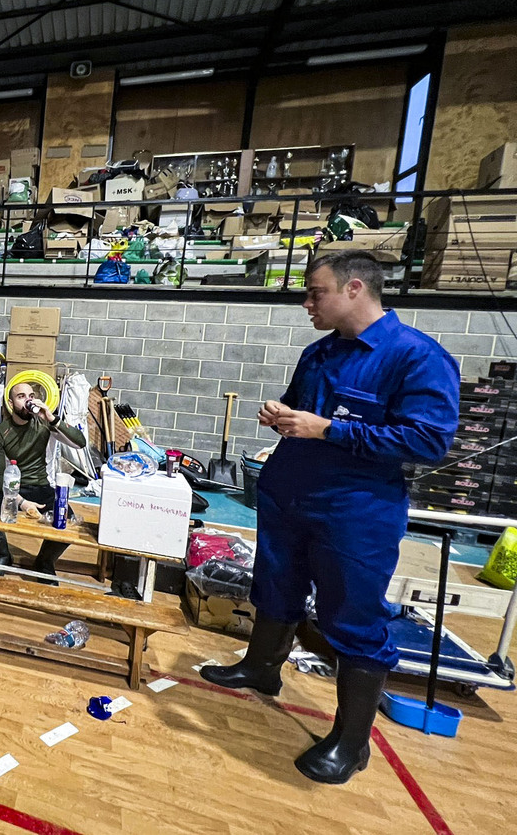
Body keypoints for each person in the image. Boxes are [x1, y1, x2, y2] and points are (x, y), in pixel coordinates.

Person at [201, 251, 459, 785]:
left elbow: (430, 440)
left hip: (355, 511)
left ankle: (351, 742)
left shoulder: (415, 357)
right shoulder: (318, 353)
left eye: (316, 292)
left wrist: (328, 431)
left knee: (352, 616)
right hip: (289, 495)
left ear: (355, 289)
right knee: (275, 586)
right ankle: (262, 668)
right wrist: (282, 418)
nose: (307, 302)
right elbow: (302, 415)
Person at [0, 380, 87, 581]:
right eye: (21, 397)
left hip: (41, 487)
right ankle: (2, 556)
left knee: (69, 524)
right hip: (13, 488)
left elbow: (80, 442)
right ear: (11, 403)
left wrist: (52, 418)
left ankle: (44, 563)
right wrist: (21, 502)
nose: (28, 401)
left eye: (31, 396)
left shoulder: (45, 424)